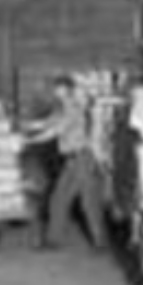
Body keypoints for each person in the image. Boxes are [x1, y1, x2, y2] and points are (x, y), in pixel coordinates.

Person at [23, 75, 110, 251]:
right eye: (55, 88)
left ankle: (100, 243)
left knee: (89, 203)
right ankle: (53, 241)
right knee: (58, 199)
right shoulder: (61, 108)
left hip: (82, 160)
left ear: (67, 89)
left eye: (58, 88)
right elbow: (46, 124)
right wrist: (24, 126)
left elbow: (55, 131)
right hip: (72, 161)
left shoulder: (73, 109)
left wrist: (29, 142)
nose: (55, 92)